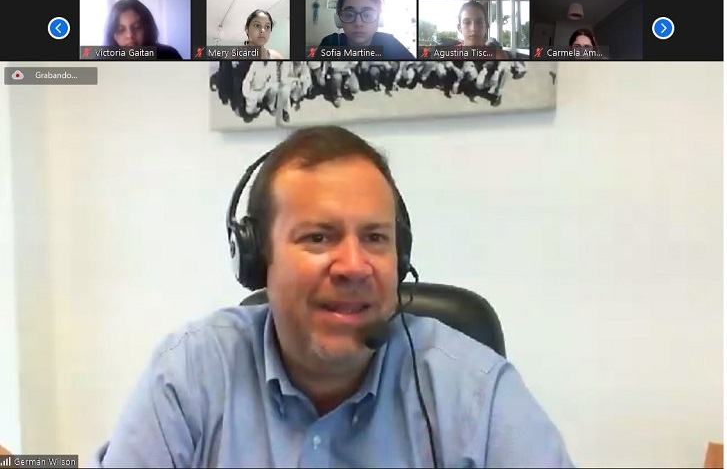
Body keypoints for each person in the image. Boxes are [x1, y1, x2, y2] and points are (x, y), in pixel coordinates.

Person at [89, 126, 575, 468]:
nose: (354, 266)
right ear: (259, 260)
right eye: (318, 237)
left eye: (375, 238)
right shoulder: (190, 376)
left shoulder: (475, 393)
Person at [318, 0, 415, 60]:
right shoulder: (329, 43)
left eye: (367, 15)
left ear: (379, 19)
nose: (358, 23)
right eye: (349, 15)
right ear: (339, 20)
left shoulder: (391, 44)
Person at [104, 0, 183, 60]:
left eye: (137, 27)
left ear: (147, 28)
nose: (130, 35)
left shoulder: (169, 55)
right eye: (121, 30)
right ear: (113, 35)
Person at [440, 0, 508, 60]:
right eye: (467, 22)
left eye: (479, 22)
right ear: (459, 28)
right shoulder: (445, 55)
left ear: (486, 26)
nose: (473, 28)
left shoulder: (498, 56)